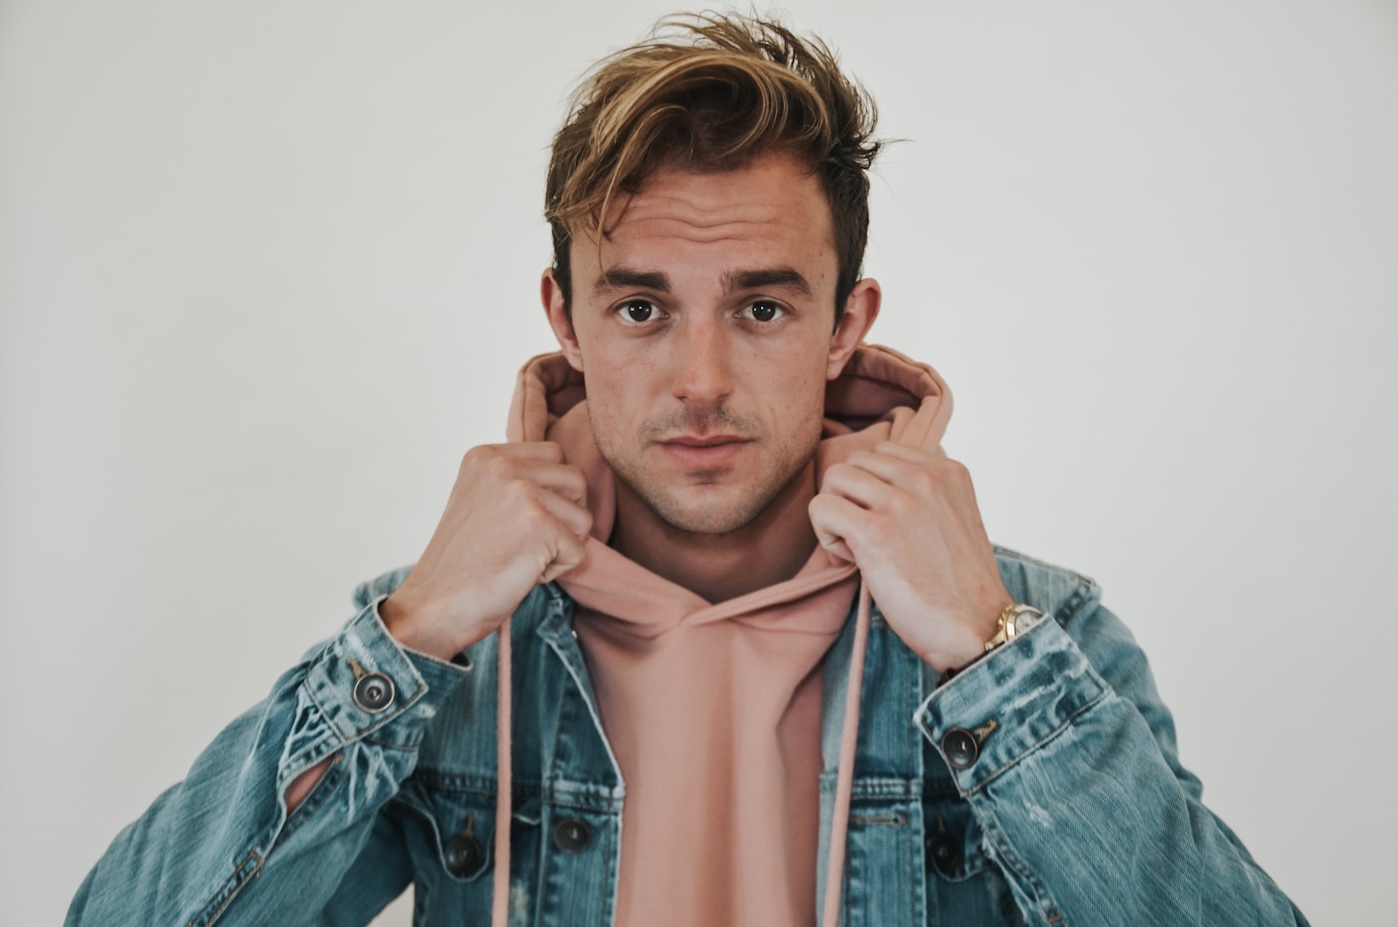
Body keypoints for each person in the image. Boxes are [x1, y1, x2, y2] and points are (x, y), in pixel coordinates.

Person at [67, 13, 1308, 927]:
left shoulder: (1033, 632)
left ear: (843, 324)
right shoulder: (459, 643)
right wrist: (413, 633)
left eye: (760, 309)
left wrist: (987, 659)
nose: (700, 379)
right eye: (642, 308)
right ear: (564, 317)